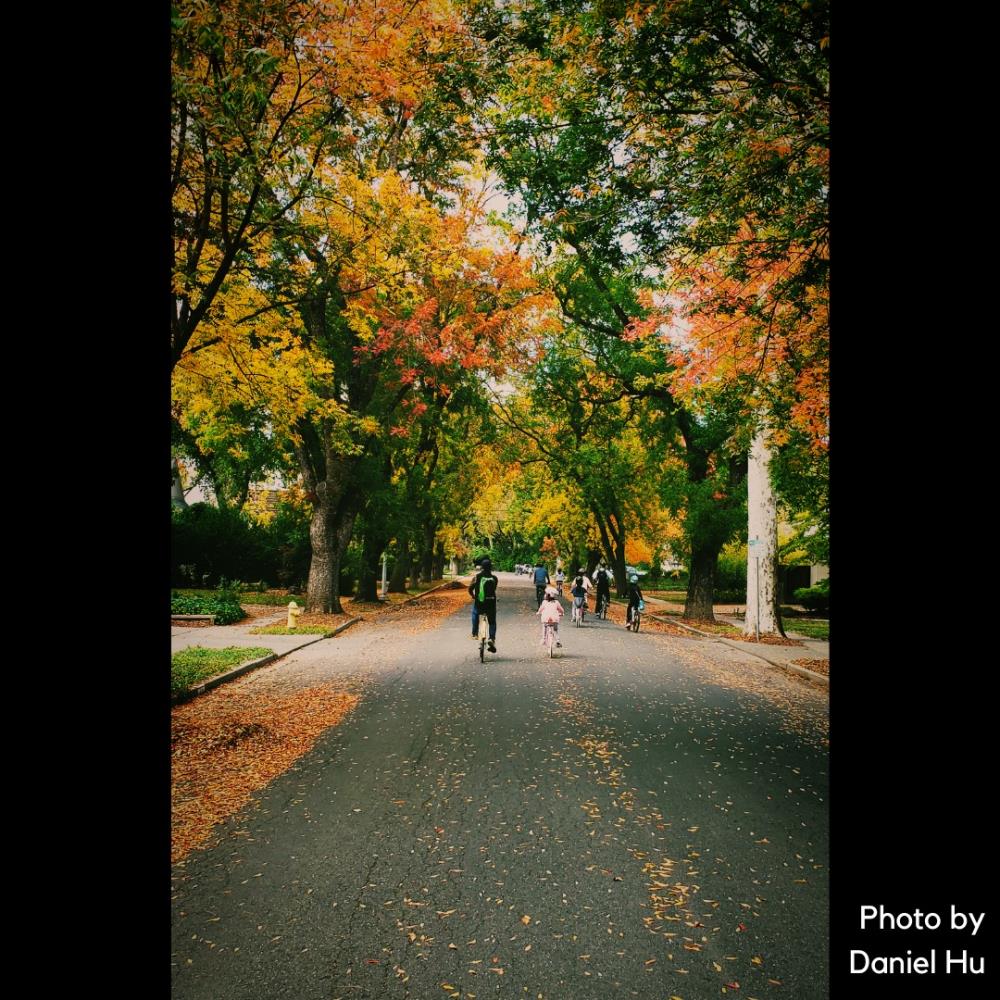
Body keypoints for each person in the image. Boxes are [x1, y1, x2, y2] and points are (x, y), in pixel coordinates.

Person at [468, 557, 498, 652]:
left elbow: (470, 589)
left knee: (474, 613)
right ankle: (491, 638)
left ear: (482, 567)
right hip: (491, 603)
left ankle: (475, 633)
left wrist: (473, 595)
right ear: (490, 567)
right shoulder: (494, 578)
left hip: (480, 603)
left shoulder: (477, 577)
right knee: (492, 622)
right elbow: (494, 589)